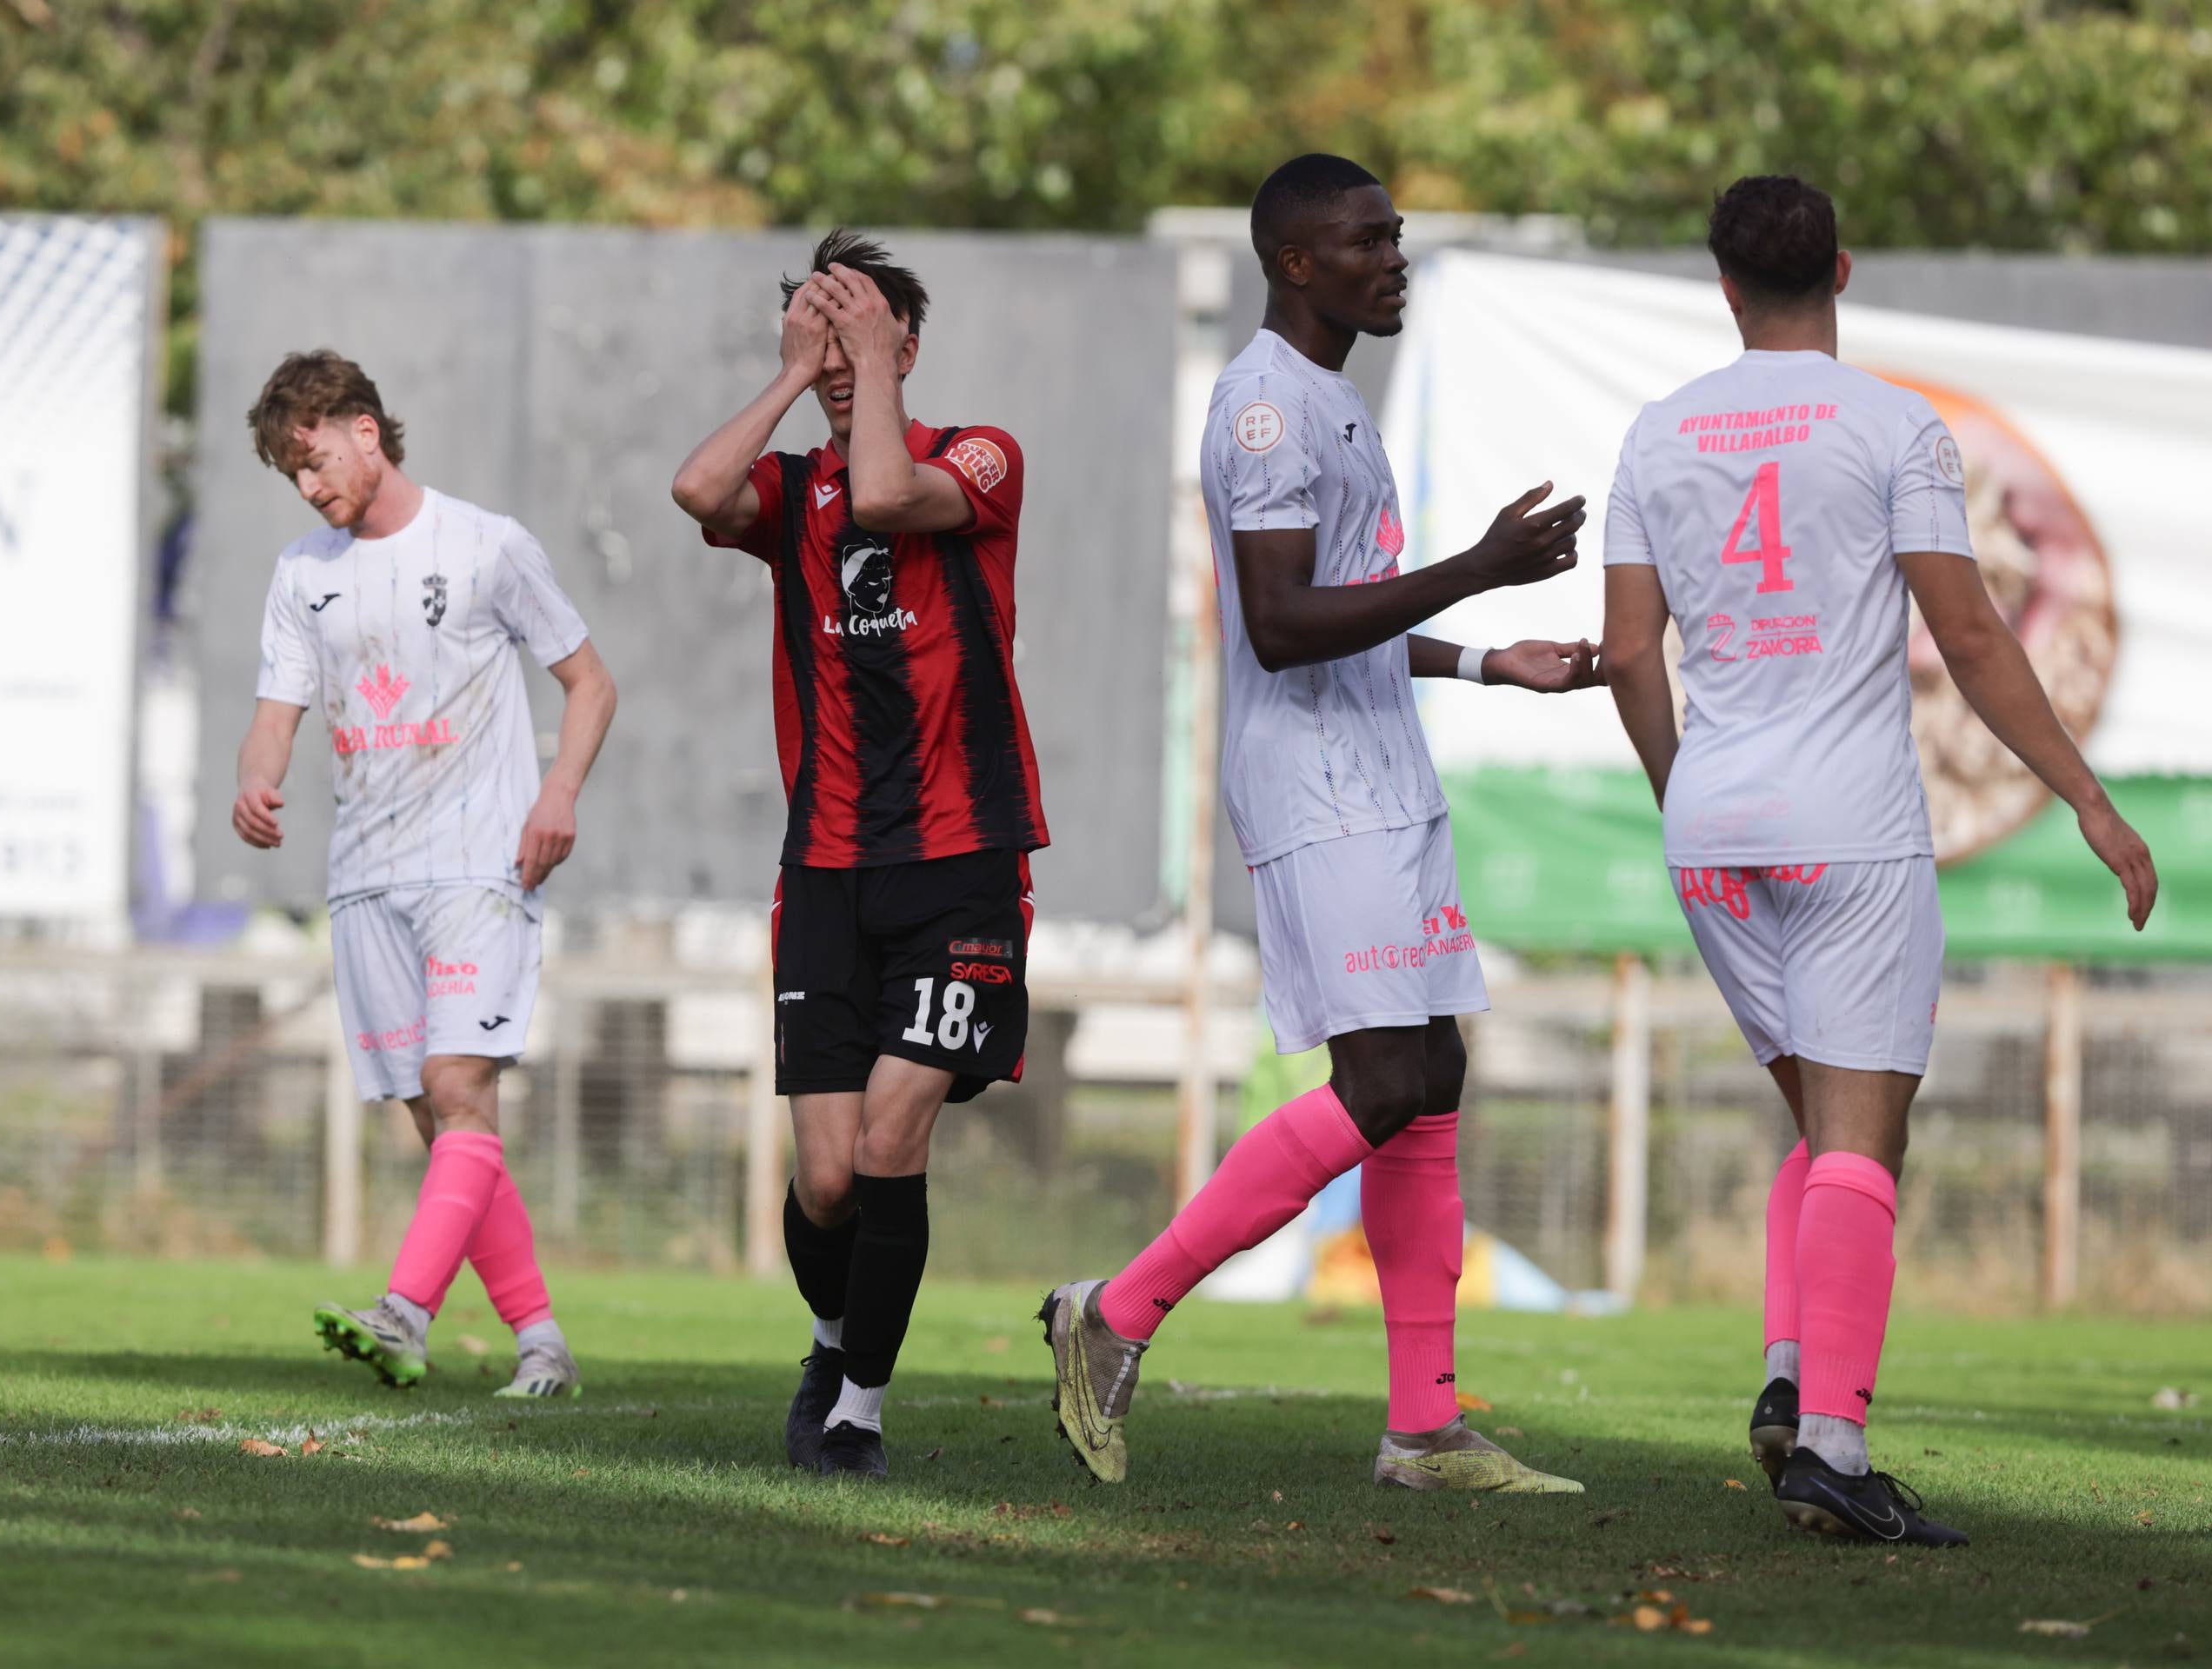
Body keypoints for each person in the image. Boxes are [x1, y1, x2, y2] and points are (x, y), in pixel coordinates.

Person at [1600, 176, 2157, 1546]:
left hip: (1714, 826)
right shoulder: (1893, 423)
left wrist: (1689, 801)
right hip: (1847, 824)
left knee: (1820, 1120)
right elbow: (1968, 638)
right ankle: (1832, 1451)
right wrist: (2084, 800)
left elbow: (1624, 655)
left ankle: (1792, 1384)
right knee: (1861, 1140)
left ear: (1722, 285)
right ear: (1839, 270)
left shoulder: (1657, 433)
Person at [1040, 154, 1602, 1493]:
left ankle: (1424, 1431)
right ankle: (1113, 1315)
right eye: (1366, 241)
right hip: (1311, 785)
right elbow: (1281, 628)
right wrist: (1475, 564)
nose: (1391, 258)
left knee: (1434, 1084)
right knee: (1382, 1084)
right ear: (1295, 262)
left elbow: (1345, 616)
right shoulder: (1258, 410)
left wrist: (1482, 658)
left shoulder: (1332, 401)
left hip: (1384, 777)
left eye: (1395, 237)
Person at [670, 231, 1048, 1479]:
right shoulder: (791, 496)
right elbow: (694, 490)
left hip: (960, 865)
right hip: (823, 871)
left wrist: (869, 366)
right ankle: (830, 1346)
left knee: (893, 1143)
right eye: (818, 337)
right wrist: (792, 376)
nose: (841, 359)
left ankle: (860, 1415)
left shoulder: (977, 456)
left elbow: (888, 492)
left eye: (865, 335)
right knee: (827, 1178)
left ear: (909, 345)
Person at [232, 350, 617, 1399]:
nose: (310, 488)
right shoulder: (303, 576)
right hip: (365, 876)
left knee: (458, 1089)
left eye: (313, 460)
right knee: (441, 1120)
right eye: (291, 476)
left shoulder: (488, 547)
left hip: (478, 864)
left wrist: (559, 793)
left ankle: (404, 1313)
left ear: (364, 428)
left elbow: (589, 683)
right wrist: (255, 785)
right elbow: (277, 714)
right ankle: (542, 1343)